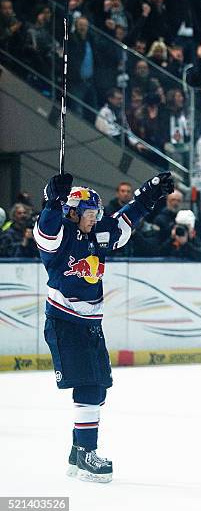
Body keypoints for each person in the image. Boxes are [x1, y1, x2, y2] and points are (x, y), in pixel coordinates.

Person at [33, 171, 174, 483]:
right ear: (73, 213)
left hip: (90, 324)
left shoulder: (98, 231)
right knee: (89, 386)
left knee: (99, 387)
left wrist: (149, 194)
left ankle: (76, 452)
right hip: (65, 320)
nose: (95, 219)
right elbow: (45, 233)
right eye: (89, 213)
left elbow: (124, 222)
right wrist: (52, 202)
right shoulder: (61, 235)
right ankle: (86, 454)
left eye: (97, 213)